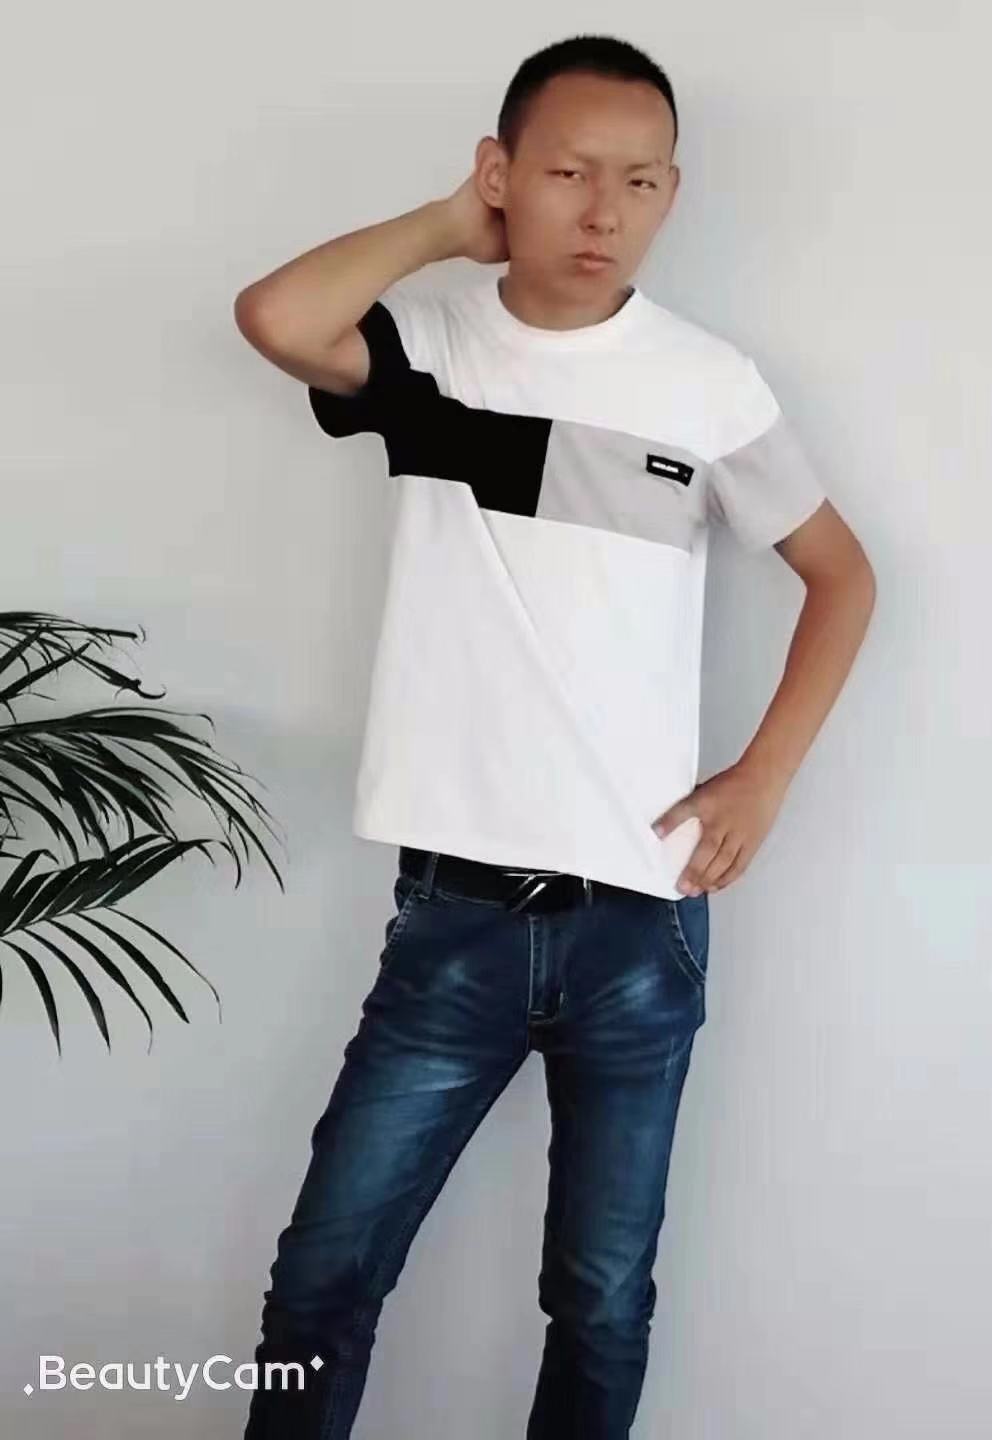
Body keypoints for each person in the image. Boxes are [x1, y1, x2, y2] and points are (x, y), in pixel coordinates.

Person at [233, 32, 876, 1439]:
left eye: (640, 181)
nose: (604, 211)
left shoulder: (710, 385)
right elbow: (275, 315)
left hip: (638, 925)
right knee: (322, 1285)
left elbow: (843, 577)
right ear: (502, 172)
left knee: (600, 1304)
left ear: (673, 191)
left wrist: (763, 778)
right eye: (568, 173)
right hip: (451, 924)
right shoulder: (434, 349)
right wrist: (442, 228)